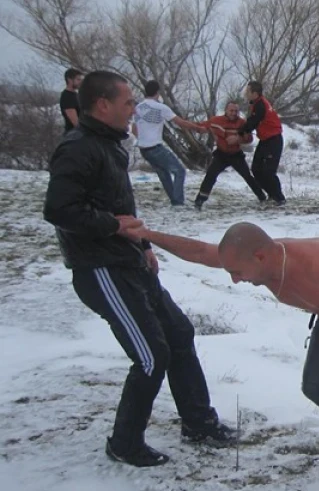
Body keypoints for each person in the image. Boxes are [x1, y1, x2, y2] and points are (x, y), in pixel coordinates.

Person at [121, 222, 319, 491]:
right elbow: (202, 252)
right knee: (317, 388)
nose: (234, 279)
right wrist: (148, 235)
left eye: (236, 272)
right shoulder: (257, 259)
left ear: (260, 256)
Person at [42, 71, 236, 468]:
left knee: (179, 332)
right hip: (100, 269)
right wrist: (114, 228)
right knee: (151, 355)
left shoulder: (111, 145)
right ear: (103, 105)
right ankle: (125, 443)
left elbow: (121, 205)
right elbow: (59, 210)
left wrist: (143, 244)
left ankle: (198, 423)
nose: (134, 108)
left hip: (129, 260)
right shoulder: (78, 148)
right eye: (128, 102)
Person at [132, 80, 198, 206]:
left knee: (164, 174)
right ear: (158, 92)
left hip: (143, 148)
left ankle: (174, 200)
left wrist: (143, 138)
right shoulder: (160, 107)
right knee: (179, 171)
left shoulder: (138, 108)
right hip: (155, 147)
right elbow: (181, 123)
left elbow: (134, 129)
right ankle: (178, 202)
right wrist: (199, 128)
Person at [191, 101, 267, 210]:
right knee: (210, 175)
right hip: (221, 154)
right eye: (231, 110)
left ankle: (262, 197)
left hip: (236, 155)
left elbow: (249, 139)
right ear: (226, 110)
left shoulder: (242, 123)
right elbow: (202, 126)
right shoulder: (216, 121)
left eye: (236, 111)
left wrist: (239, 139)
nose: (234, 113)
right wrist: (191, 126)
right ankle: (200, 200)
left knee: (247, 176)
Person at [240, 81, 286, 206]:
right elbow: (252, 121)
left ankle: (279, 198)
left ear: (255, 93)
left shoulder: (260, 105)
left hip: (273, 140)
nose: (246, 93)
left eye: (248, 91)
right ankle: (271, 194)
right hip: (265, 140)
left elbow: (253, 122)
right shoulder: (256, 103)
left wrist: (241, 132)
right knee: (256, 169)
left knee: (268, 171)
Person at [59, 68, 83, 134]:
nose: (80, 82)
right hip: (73, 135)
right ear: (69, 80)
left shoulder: (75, 95)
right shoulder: (67, 97)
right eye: (78, 79)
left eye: (81, 79)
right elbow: (75, 122)